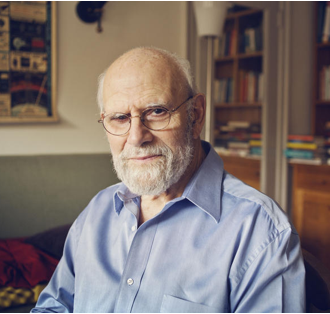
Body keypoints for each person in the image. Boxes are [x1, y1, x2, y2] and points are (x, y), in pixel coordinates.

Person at [31, 47, 306, 313]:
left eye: (157, 111)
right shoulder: (98, 210)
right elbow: (55, 306)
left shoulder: (259, 230)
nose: (137, 137)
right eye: (119, 118)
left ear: (196, 115)